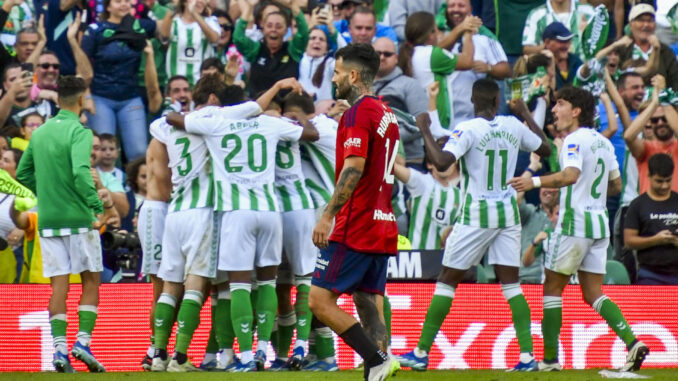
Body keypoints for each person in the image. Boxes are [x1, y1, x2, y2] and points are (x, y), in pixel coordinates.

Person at [397, 81, 551, 372]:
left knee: (446, 280)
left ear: (470, 99)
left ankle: (420, 352)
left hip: (477, 213)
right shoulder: (512, 125)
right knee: (512, 285)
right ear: (498, 100)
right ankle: (528, 357)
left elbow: (442, 162)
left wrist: (425, 129)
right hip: (507, 212)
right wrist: (525, 114)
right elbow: (545, 147)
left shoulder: (468, 129)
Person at [167, 76, 316, 372]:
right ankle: (264, 348)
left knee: (238, 287)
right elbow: (311, 135)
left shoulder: (216, 122)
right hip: (270, 211)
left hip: (237, 213)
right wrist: (298, 118)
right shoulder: (269, 123)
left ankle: (246, 357)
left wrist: (214, 113)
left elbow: (173, 119)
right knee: (268, 283)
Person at [508, 86, 649, 372]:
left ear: (576, 111)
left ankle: (549, 360)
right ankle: (632, 342)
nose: (554, 110)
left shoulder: (573, 140)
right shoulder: (604, 143)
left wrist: (534, 182)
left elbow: (570, 176)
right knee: (592, 292)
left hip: (574, 222)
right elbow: (617, 185)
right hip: (599, 225)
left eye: (559, 104)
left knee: (551, 287)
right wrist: (590, 191)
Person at [307, 43, 400, 381]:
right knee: (366, 299)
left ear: (354, 74)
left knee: (318, 300)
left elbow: (354, 168)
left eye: (337, 72)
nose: (333, 80)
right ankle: (379, 367)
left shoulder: (358, 114)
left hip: (356, 222)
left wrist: (328, 214)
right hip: (382, 222)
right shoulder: (383, 112)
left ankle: (375, 360)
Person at [16, 76, 116, 373]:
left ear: (57, 98)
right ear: (82, 98)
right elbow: (80, 172)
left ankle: (59, 350)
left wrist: (47, 192)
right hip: (78, 218)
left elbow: (23, 173)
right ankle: (82, 343)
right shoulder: (80, 131)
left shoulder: (41, 133)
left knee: (59, 285)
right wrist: (97, 207)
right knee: (90, 281)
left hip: (48, 220)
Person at [81, 0, 156, 161]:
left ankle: (135, 186)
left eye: (127, 1)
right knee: (102, 152)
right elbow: (82, 67)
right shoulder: (95, 30)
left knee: (139, 153)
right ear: (107, 6)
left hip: (131, 97)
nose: (124, 4)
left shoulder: (139, 27)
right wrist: (87, 97)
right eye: (118, 1)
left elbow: (164, 31)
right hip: (100, 97)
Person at [437, 0, 510, 124]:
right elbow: (434, 52)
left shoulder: (485, 37)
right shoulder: (439, 34)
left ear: (470, 9)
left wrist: (488, 68)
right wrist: (461, 29)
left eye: (461, 5)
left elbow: (506, 70)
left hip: (476, 117)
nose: (456, 9)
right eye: (452, 6)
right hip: (444, 117)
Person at [137, 114, 172, 371]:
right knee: (159, 287)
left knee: (174, 285)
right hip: (157, 212)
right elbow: (163, 181)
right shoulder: (160, 140)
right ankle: (154, 350)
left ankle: (160, 349)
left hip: (171, 212)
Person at [398, 11, 473, 131]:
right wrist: (468, 33)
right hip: (437, 125)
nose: (439, 33)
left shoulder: (412, 53)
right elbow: (467, 61)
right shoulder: (432, 54)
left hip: (421, 121)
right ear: (431, 34)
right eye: (436, 29)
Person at [234, 0, 309, 97]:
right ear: (263, 28)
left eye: (278, 26)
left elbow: (303, 33)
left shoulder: (293, 50)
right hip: (258, 106)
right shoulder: (256, 50)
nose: (273, 30)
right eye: (269, 26)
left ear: (286, 30)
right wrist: (249, 8)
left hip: (285, 107)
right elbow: (238, 38)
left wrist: (293, 6)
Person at [624, 153, 678, 285]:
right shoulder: (638, 205)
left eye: (668, 180)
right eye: (659, 181)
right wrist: (656, 240)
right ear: (649, 176)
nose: (664, 186)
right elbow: (629, 241)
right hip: (650, 274)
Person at [624, 75, 678, 195]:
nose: (660, 123)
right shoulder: (647, 149)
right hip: (648, 211)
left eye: (664, 119)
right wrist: (654, 104)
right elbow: (628, 136)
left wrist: (664, 100)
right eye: (655, 120)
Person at [617, 4, 678, 90]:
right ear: (631, 24)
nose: (646, 25)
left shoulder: (666, 52)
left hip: (660, 100)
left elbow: (675, 84)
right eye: (641, 20)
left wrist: (665, 90)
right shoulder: (621, 49)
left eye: (650, 21)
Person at [159, 0, 220, 85]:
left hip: (201, 88)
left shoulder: (210, 21)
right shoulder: (174, 23)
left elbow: (214, 39)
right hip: (175, 86)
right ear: (184, 2)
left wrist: (194, 14)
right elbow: (164, 36)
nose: (201, 2)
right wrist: (174, 8)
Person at [521, 0, 594, 60]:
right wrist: (548, 46)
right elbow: (527, 50)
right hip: (550, 71)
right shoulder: (537, 14)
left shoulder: (588, 11)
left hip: (584, 71)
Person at [299, 7, 337, 102]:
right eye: (312, 38)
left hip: (323, 112)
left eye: (321, 39)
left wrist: (332, 29)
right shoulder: (298, 59)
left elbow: (348, 56)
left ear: (327, 48)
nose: (317, 42)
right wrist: (310, 26)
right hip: (299, 109)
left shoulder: (330, 63)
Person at [541, 22, 581, 90]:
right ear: (547, 42)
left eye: (568, 41)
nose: (567, 45)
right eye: (562, 41)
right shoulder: (540, 66)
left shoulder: (575, 60)